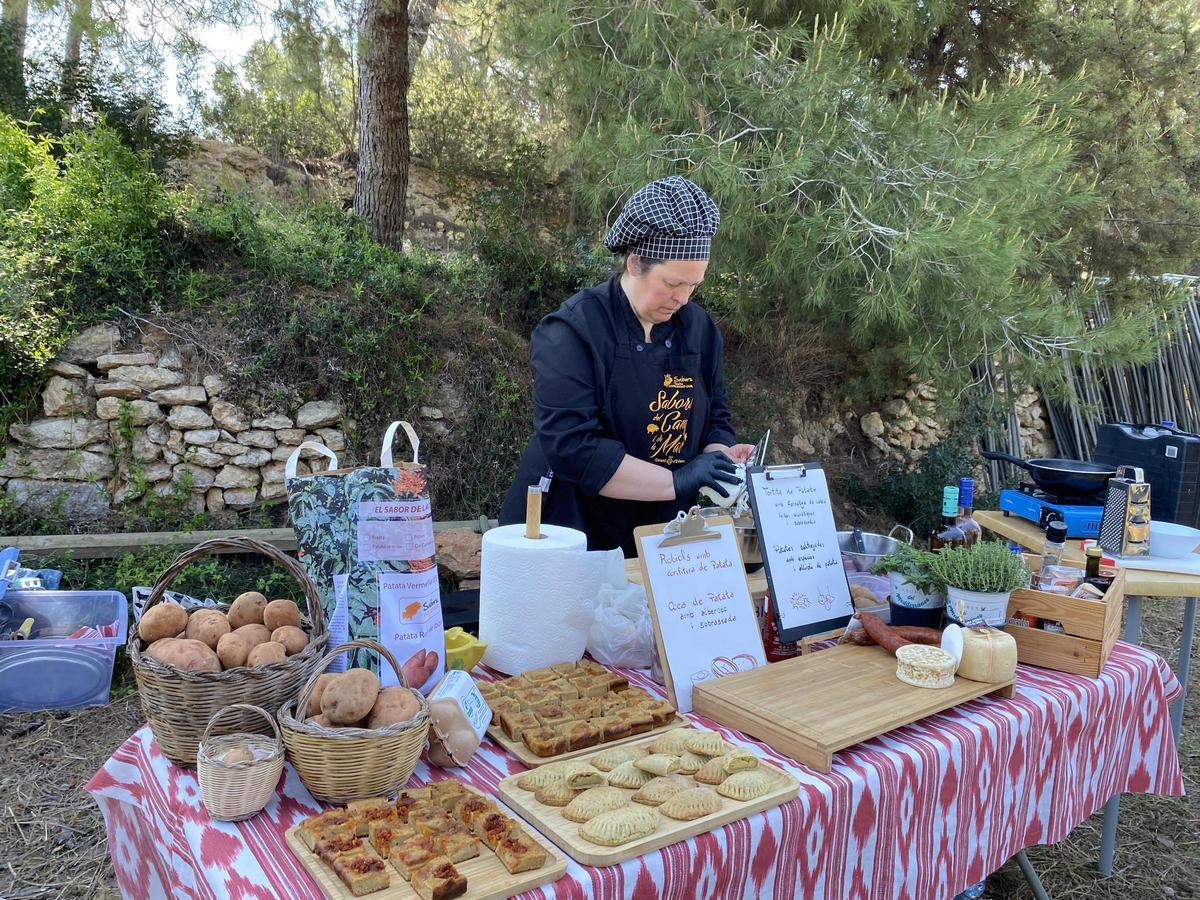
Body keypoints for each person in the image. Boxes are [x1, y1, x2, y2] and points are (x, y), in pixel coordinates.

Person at [499, 175, 753, 555]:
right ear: (635, 263)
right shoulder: (571, 331)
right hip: (571, 531)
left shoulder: (698, 328)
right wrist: (679, 479)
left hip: (661, 530)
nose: (683, 299)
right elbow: (574, 448)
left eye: (693, 286)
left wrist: (717, 458)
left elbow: (716, 411)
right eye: (671, 283)